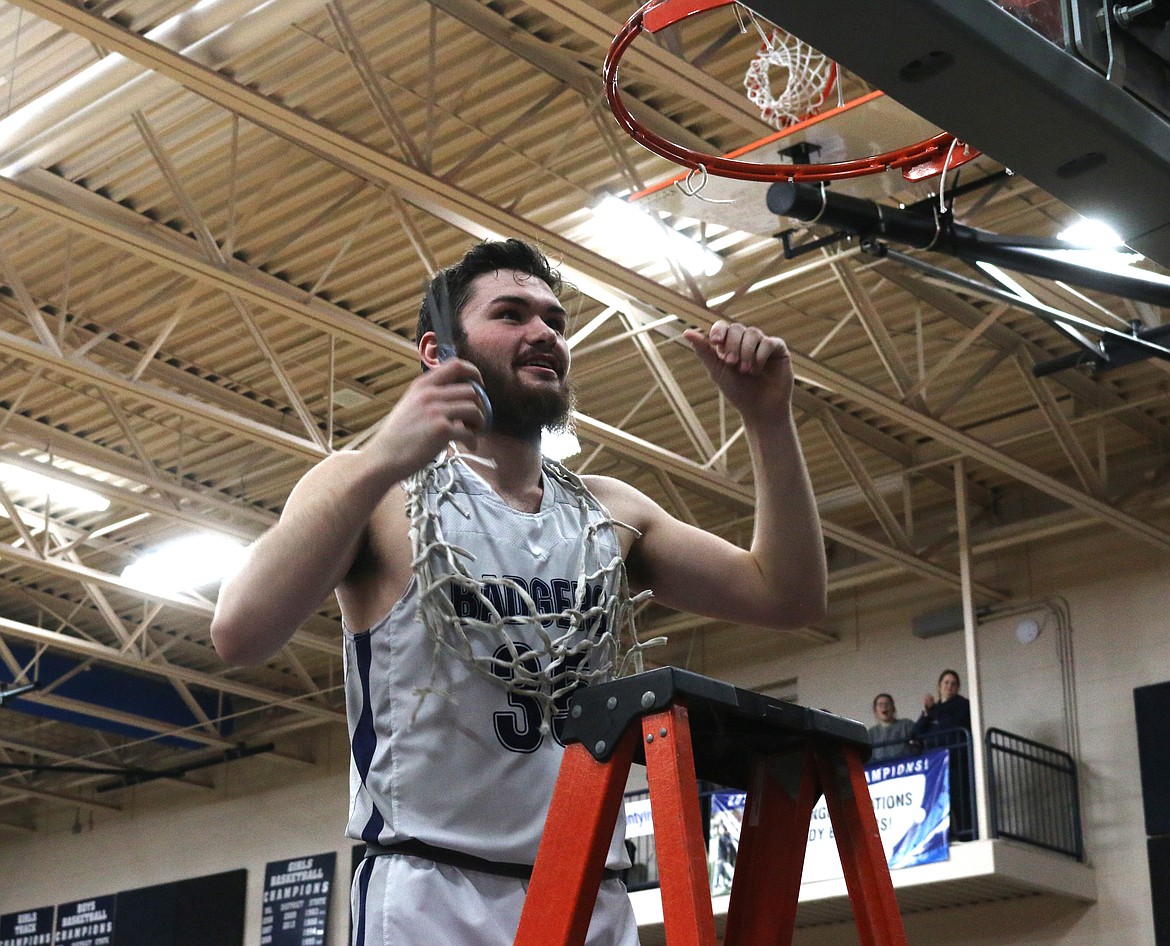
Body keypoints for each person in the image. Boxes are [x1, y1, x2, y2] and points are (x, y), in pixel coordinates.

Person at [210, 238, 827, 946]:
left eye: (555, 320)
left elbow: (788, 597)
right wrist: (383, 452)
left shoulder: (610, 510)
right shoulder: (374, 491)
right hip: (433, 892)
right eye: (511, 313)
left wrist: (769, 420)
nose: (544, 333)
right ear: (438, 353)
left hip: (591, 892)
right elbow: (240, 631)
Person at [912, 668, 974, 839]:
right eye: (946, 683)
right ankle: (940, 839)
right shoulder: (932, 709)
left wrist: (933, 714)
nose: (949, 686)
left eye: (953, 683)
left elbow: (951, 725)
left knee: (960, 803)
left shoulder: (962, 705)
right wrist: (926, 713)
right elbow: (915, 733)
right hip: (935, 767)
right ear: (939, 686)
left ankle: (966, 837)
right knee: (937, 804)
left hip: (956, 763)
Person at [867, 692, 915, 761]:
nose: (884, 707)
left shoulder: (906, 725)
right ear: (875, 711)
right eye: (880, 705)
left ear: (893, 708)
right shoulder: (870, 734)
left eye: (887, 704)